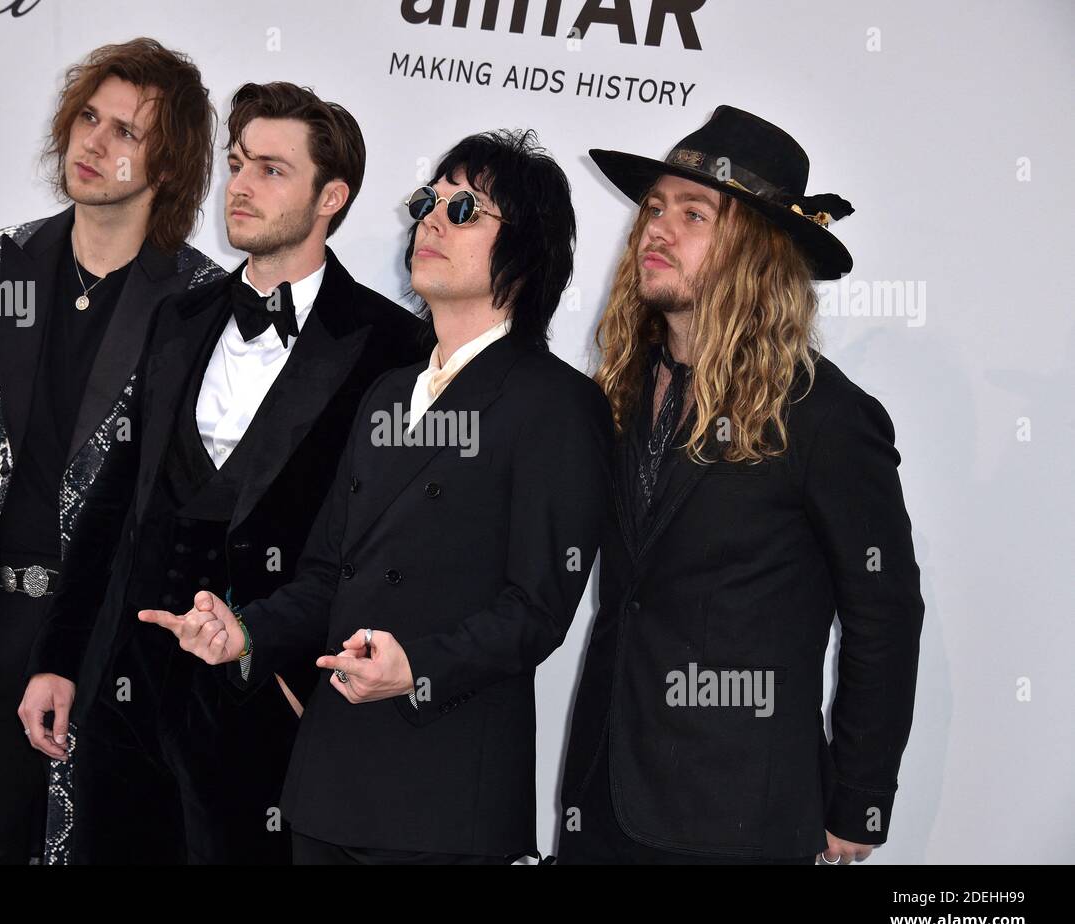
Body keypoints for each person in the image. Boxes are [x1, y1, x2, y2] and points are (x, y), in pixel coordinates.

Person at [144, 129, 612, 864]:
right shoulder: (389, 392)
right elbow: (328, 574)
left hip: (445, 797)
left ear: (527, 252)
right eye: (430, 200)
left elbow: (536, 611)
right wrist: (246, 633)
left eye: (466, 209)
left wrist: (417, 668)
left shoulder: (558, 404)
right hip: (327, 782)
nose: (430, 218)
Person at [20, 81, 426, 864]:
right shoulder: (181, 313)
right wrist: (59, 659)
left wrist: (297, 684)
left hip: (263, 709)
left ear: (330, 195)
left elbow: (387, 551)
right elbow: (115, 503)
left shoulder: (389, 346)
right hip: (126, 695)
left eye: (272, 170)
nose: (239, 185)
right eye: (238, 163)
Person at [0, 37, 222, 864]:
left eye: (127, 133)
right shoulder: (0, 261)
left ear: (168, 167)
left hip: (102, 648)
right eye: (88, 118)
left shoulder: (198, 303)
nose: (93, 144)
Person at [558, 105, 923, 865]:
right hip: (600, 802)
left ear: (757, 249)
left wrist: (858, 801)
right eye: (653, 207)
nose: (656, 227)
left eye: (694, 213)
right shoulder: (621, 391)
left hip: (740, 821)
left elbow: (883, 614)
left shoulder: (826, 416)